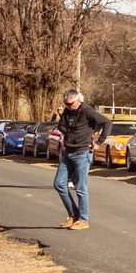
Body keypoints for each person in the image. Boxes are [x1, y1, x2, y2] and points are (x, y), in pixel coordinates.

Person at [52, 89, 111, 231]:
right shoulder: (67, 112)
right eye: (65, 104)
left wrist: (98, 142)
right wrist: (62, 124)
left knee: (80, 187)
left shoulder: (87, 111)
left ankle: (83, 219)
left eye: (70, 104)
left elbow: (107, 123)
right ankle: (73, 215)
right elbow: (62, 126)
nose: (68, 106)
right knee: (59, 184)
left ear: (78, 100)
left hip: (82, 153)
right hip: (68, 152)